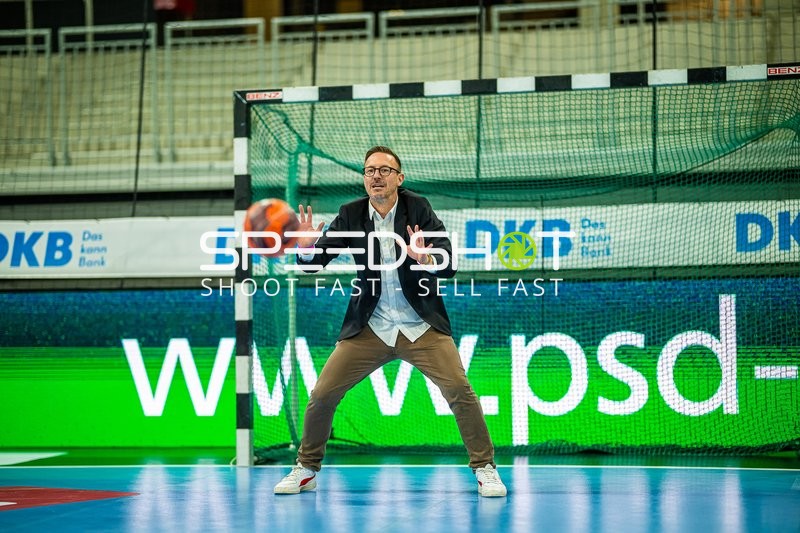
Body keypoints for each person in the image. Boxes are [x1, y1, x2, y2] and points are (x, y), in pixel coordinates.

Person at [273, 146, 507, 497]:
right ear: (364, 178)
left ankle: (485, 468)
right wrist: (306, 247)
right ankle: (306, 468)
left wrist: (425, 255)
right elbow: (313, 263)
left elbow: (448, 263)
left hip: (420, 324)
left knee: (459, 390)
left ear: (399, 178)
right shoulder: (350, 213)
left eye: (384, 170)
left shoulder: (418, 208)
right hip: (370, 326)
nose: (376, 176)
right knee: (322, 394)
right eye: (369, 170)